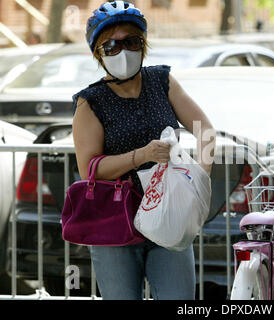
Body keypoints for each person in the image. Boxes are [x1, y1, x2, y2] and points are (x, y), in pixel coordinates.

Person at [72, 1, 215, 300]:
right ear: (98, 53)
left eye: (131, 41)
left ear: (143, 44)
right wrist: (142, 155)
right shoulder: (90, 102)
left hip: (169, 216)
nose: (122, 51)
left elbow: (206, 132)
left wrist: (197, 185)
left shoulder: (161, 81)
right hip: (114, 226)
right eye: (110, 45)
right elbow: (90, 170)